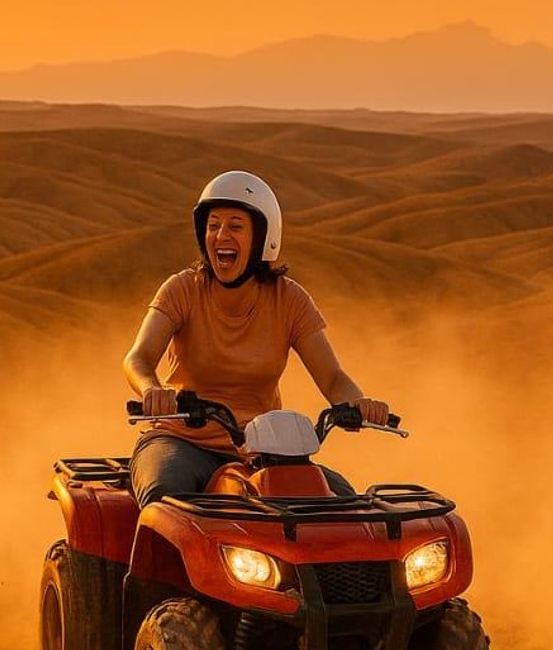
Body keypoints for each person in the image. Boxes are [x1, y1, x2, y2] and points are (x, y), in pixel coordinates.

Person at [123, 170, 390, 507]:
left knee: (343, 506)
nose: (221, 235)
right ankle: (146, 563)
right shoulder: (182, 289)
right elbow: (139, 358)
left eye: (235, 226)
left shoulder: (289, 299)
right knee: (165, 499)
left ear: (264, 238)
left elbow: (333, 377)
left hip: (263, 451)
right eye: (213, 225)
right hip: (182, 441)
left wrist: (360, 404)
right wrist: (152, 390)